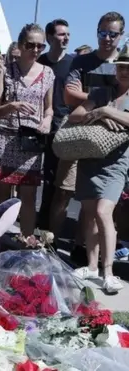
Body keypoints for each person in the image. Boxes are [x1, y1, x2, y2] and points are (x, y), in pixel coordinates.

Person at [62, 12, 124, 266]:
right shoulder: (82, 61)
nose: (107, 38)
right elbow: (69, 95)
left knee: (108, 205)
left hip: (119, 143)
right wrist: (100, 100)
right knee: (81, 199)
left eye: (113, 33)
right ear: (96, 31)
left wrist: (96, 102)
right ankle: (81, 248)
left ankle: (104, 255)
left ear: (121, 35)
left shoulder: (124, 62)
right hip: (85, 136)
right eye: (102, 32)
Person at [67, 44, 129, 293]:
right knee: (90, 214)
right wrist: (100, 115)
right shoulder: (102, 91)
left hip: (117, 162)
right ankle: (92, 266)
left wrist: (106, 111)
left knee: (104, 212)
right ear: (116, 69)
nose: (124, 72)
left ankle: (108, 271)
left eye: (128, 68)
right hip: (91, 158)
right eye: (121, 67)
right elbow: (75, 115)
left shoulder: (107, 100)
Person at [0, 24, 55, 241]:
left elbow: (49, 107)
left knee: (28, 194)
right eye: (30, 45)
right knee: (2, 193)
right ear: (20, 45)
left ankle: (27, 241)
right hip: (6, 136)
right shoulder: (5, 70)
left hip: (31, 139)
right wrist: (12, 106)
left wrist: (47, 120)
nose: (35, 50)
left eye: (40, 46)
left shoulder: (48, 74)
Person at [36, 19, 73, 232]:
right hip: (37, 124)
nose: (65, 37)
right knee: (31, 178)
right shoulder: (39, 62)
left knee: (53, 178)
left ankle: (47, 227)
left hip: (62, 126)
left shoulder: (73, 64)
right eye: (61, 34)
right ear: (49, 38)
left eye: (67, 34)